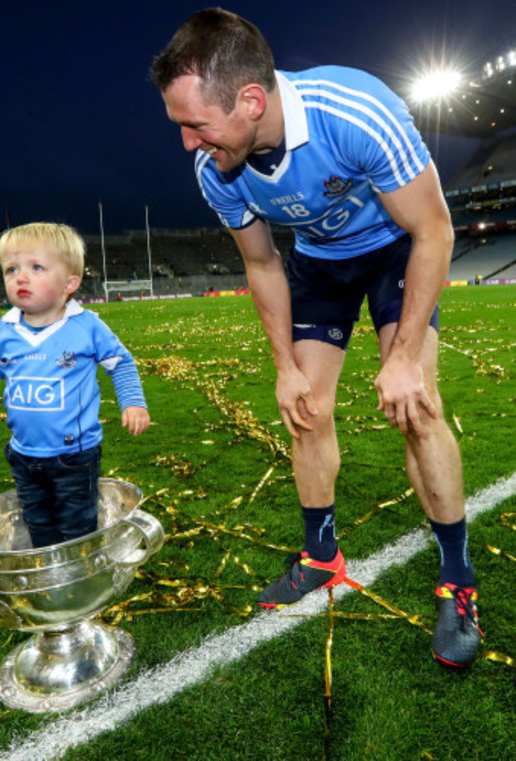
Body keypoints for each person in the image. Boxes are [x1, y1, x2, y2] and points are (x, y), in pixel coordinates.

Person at [151, 8, 480, 667]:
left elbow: (434, 230)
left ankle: (458, 577)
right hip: (319, 266)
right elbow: (263, 262)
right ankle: (322, 555)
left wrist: (407, 355)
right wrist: (285, 367)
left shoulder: (355, 109)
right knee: (305, 410)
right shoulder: (217, 168)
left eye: (195, 125)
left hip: (395, 251)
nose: (189, 143)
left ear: (249, 101)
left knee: (417, 407)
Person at [0, 222, 150, 548]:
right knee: (37, 520)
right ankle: (49, 570)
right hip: (22, 453)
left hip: (74, 456)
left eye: (36, 267)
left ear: (70, 283)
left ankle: (80, 577)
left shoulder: (86, 326)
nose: (20, 277)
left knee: (77, 524)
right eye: (11, 269)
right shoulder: (8, 327)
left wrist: (133, 403)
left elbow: (121, 364)